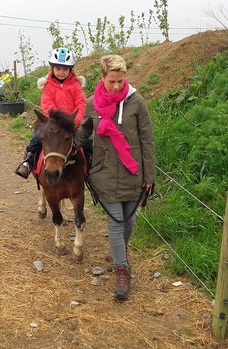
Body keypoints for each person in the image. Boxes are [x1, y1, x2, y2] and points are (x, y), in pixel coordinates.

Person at [75, 55, 156, 300]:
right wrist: (64, 147)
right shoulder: (92, 104)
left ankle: (119, 255)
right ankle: (123, 269)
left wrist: (149, 175)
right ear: (102, 78)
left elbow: (147, 141)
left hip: (133, 172)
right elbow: (84, 133)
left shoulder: (137, 103)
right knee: (116, 221)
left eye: (121, 81)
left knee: (129, 222)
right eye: (112, 81)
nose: (117, 86)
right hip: (105, 172)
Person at [14, 47, 87, 179]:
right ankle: (28, 162)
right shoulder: (48, 85)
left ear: (70, 70)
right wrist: (55, 121)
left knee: (87, 142)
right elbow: (47, 104)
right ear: (52, 68)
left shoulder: (75, 85)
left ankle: (90, 170)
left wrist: (75, 122)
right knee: (37, 139)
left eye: (65, 69)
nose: (61, 72)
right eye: (58, 68)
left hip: (70, 124)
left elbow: (81, 103)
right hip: (52, 123)